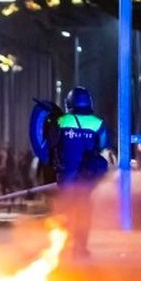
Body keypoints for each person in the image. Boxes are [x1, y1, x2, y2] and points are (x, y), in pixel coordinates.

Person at [52, 87, 108, 258]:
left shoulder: (61, 121)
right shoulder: (98, 123)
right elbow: (103, 146)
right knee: (84, 211)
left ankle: (64, 247)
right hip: (87, 177)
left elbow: (51, 145)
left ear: (69, 102)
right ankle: (81, 248)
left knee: (65, 211)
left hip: (66, 176)